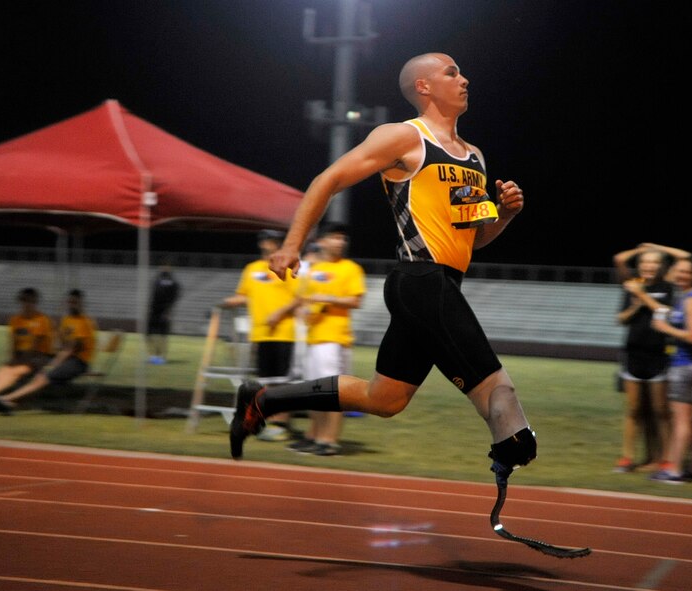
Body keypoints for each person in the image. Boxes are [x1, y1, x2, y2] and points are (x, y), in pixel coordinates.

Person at [229, 53, 536, 482]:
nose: (465, 79)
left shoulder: (474, 157)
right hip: (419, 279)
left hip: (446, 284)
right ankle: (514, 439)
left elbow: (472, 239)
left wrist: (503, 216)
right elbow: (328, 179)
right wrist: (292, 244)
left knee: (385, 400)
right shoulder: (403, 137)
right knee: (494, 388)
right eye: (452, 72)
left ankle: (262, 400)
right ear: (424, 87)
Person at [287, 223, 365, 456]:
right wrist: (303, 311)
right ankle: (314, 436)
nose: (340, 242)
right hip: (313, 339)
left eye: (342, 238)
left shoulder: (350, 269)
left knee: (332, 394)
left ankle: (329, 441)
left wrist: (326, 297)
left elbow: (355, 301)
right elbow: (303, 301)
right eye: (334, 237)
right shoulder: (313, 270)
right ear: (321, 242)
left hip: (334, 340)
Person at [613, 243, 691, 472]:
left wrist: (655, 247)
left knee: (660, 411)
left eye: (654, 262)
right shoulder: (632, 285)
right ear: (639, 266)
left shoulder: (667, 285)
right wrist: (636, 303)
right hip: (633, 353)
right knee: (634, 410)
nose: (649, 266)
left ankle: (665, 457)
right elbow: (621, 319)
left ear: (661, 266)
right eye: (645, 262)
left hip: (657, 354)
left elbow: (664, 311)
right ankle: (627, 457)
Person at [634, 258, 692, 484]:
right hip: (686, 365)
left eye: (687, 272)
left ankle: (674, 471)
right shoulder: (683, 297)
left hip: (685, 366)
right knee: (690, 421)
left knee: (681, 422)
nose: (682, 275)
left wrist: (665, 328)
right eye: (680, 271)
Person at [221, 230, 299, 442]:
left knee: (282, 382)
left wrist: (279, 313)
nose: (267, 245)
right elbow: (242, 296)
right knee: (266, 381)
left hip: (283, 333)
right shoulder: (252, 269)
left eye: (272, 241)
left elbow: (298, 298)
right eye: (264, 241)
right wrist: (225, 303)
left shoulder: (287, 267)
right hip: (260, 334)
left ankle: (282, 424)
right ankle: (269, 421)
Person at [0, 289, 97, 413]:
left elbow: (70, 349)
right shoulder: (66, 320)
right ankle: (9, 402)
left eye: (75, 302)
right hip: (66, 359)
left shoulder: (85, 322)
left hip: (78, 362)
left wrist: (52, 365)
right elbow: (63, 345)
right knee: (36, 371)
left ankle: (5, 399)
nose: (72, 305)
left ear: (82, 303)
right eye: (70, 302)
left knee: (43, 377)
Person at [0, 287, 54, 411]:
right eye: (25, 301)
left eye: (31, 302)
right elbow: (13, 344)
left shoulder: (42, 320)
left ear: (35, 302)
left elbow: (35, 347)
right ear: (20, 302)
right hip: (21, 357)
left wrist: (19, 360)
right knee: (3, 370)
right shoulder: (16, 320)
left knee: (18, 370)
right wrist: (12, 359)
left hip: (38, 357)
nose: (28, 305)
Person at [147, 265, 180, 364]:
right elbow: (174, 297)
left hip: (156, 311)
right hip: (164, 311)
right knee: (162, 336)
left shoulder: (157, 281)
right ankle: (160, 356)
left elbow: (153, 294)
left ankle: (155, 356)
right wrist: (169, 311)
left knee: (152, 334)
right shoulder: (174, 283)